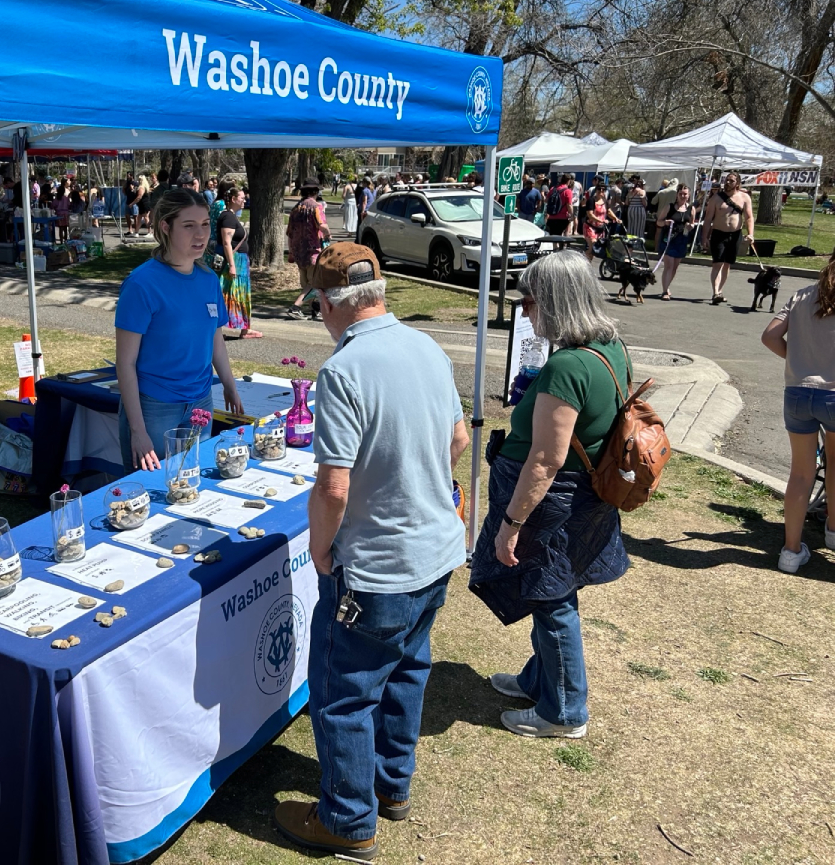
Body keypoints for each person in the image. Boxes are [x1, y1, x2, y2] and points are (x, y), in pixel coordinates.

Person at [272, 242, 469, 863]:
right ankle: (391, 785)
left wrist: (321, 549)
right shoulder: (427, 347)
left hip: (378, 565)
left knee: (344, 693)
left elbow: (333, 486)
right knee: (408, 670)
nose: (320, 321)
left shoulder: (344, 370)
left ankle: (349, 821)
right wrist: (417, 487)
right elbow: (457, 439)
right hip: (435, 551)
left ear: (330, 304)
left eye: (317, 309)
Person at [469, 250, 631, 739]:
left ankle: (563, 712)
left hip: (554, 503)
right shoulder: (611, 346)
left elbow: (545, 459)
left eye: (529, 299)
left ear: (556, 302)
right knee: (558, 590)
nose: (522, 309)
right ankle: (539, 680)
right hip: (582, 499)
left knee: (551, 598)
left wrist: (511, 525)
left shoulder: (566, 367)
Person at [113, 188, 244, 473]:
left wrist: (230, 387)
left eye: (205, 225)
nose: (200, 235)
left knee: (193, 483)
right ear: (165, 226)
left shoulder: (208, 279)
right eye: (189, 226)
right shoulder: (141, 284)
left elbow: (215, 340)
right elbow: (125, 363)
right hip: (154, 407)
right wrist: (138, 430)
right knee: (154, 491)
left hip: (200, 401)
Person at [760, 254, 835, 573]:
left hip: (798, 392)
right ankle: (832, 530)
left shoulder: (801, 295)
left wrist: (798, 360)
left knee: (801, 474)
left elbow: (769, 336)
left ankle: (790, 551)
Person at [702, 172, 755, 305]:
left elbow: (749, 217)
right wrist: (704, 237)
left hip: (735, 235)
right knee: (717, 263)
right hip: (718, 234)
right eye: (726, 180)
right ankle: (715, 292)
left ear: (737, 183)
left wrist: (750, 233)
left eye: (731, 181)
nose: (727, 183)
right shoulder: (716, 198)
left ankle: (720, 291)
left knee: (727, 264)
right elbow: (708, 219)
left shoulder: (744, 197)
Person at [217, 186, 262, 339]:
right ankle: (217, 326)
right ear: (234, 199)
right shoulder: (228, 217)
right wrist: (232, 265)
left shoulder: (233, 216)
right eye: (242, 198)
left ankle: (245, 327)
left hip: (241, 261)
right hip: (236, 260)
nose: (244, 200)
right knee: (229, 294)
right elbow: (226, 242)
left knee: (241, 295)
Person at [286, 181, 332, 320]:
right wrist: (328, 235)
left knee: (306, 282)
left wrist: (291, 252)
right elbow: (322, 226)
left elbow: (290, 233)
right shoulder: (316, 207)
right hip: (313, 250)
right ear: (314, 192)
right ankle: (296, 307)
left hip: (299, 251)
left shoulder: (295, 209)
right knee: (314, 283)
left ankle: (316, 310)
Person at [655, 185, 697, 300]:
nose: (683, 196)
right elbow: (659, 222)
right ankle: (664, 291)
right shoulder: (670, 207)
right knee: (669, 266)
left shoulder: (691, 208)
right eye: (681, 194)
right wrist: (666, 222)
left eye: (685, 194)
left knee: (674, 267)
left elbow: (692, 223)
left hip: (682, 239)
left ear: (689, 195)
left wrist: (690, 226)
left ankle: (667, 286)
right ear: (677, 195)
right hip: (668, 239)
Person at [582, 187, 618, 262]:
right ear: (596, 190)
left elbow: (608, 211)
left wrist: (616, 218)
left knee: (594, 250)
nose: (601, 191)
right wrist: (601, 220)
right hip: (590, 227)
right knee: (592, 247)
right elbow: (590, 215)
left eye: (603, 190)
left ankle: (586, 264)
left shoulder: (605, 201)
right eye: (599, 189)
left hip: (600, 228)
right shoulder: (591, 200)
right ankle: (582, 263)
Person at [624, 176, 647, 243]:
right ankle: (637, 241)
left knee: (631, 226)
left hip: (631, 209)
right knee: (639, 227)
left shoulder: (630, 192)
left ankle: (629, 241)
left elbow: (626, 203)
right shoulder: (642, 191)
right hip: (639, 209)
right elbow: (644, 203)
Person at [122, 172, 139, 236]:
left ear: (132, 176)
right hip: (128, 201)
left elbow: (137, 193)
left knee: (135, 216)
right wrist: (124, 189)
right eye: (127, 176)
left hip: (134, 202)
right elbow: (124, 191)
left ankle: (136, 231)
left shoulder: (136, 183)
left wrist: (132, 189)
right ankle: (130, 230)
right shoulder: (127, 183)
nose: (127, 177)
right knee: (127, 216)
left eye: (128, 176)